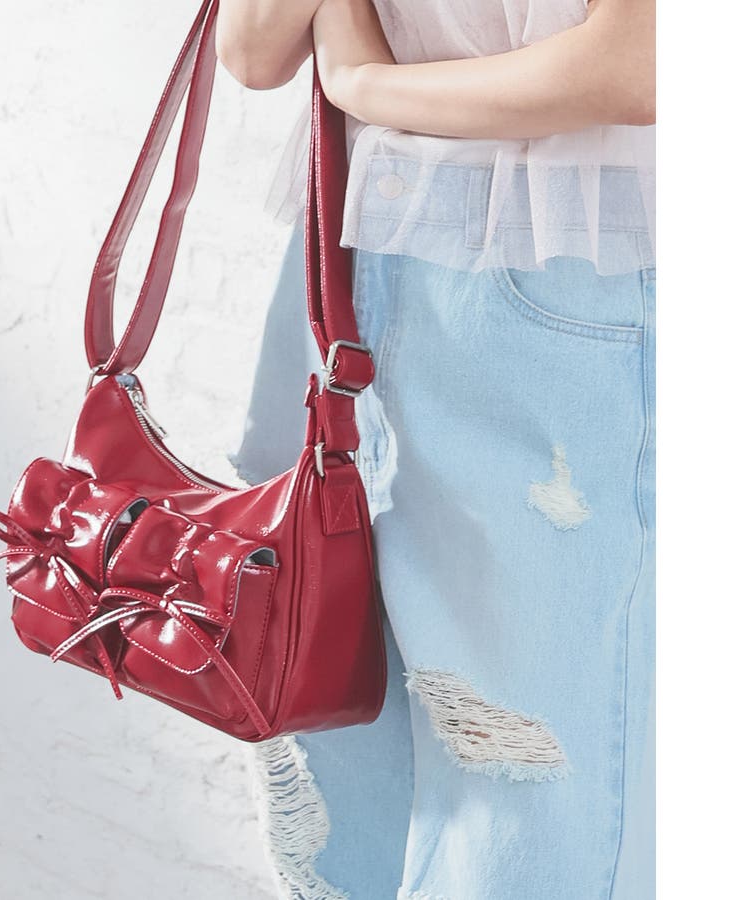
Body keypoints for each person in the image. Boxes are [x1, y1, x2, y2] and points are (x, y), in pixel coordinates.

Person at [218, 2, 655, 899]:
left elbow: (640, 62)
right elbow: (253, 49)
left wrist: (365, 83)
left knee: (520, 801)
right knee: (334, 768)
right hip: (345, 256)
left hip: (550, 270)